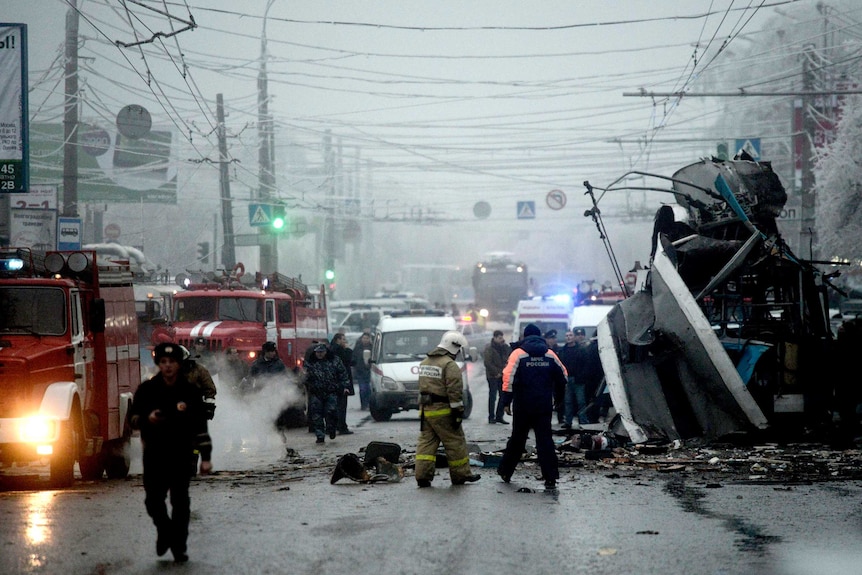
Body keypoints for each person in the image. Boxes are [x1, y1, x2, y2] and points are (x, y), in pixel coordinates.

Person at [130, 342, 213, 563]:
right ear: (158, 364)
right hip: (155, 454)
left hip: (181, 454)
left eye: (172, 362)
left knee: (180, 503)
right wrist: (147, 418)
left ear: (179, 364)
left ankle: (179, 546)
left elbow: (200, 426)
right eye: (163, 362)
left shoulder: (190, 392)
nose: (167, 366)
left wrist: (205, 458)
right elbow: (133, 418)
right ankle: (164, 531)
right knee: (153, 502)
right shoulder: (147, 390)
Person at [498, 323, 567, 488]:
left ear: (524, 336)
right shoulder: (550, 354)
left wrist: (506, 402)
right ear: (540, 336)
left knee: (517, 439)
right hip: (543, 405)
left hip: (523, 405)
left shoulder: (518, 354)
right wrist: (559, 398)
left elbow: (508, 378)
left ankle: (506, 472)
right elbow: (563, 376)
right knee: (545, 440)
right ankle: (550, 477)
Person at [414, 331, 481, 487]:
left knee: (427, 444)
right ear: (454, 347)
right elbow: (454, 391)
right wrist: (458, 412)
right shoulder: (449, 365)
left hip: (426, 411)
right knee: (455, 442)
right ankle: (461, 475)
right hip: (443, 411)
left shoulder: (425, 363)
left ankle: (422, 476)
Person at [304, 342, 350, 443]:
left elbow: (343, 374)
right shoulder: (310, 362)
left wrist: (345, 386)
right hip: (316, 392)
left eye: (322, 352)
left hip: (331, 392)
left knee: (331, 412)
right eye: (318, 352)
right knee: (317, 415)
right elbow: (305, 376)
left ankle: (331, 428)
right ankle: (320, 435)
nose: (319, 354)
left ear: (326, 352)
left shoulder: (334, 360)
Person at [557, 328, 590, 429]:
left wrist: (581, 376)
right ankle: (568, 422)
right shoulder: (562, 351)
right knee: (568, 402)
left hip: (578, 379)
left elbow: (586, 365)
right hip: (567, 379)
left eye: (570, 335)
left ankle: (583, 421)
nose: (568, 337)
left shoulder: (581, 350)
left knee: (581, 401)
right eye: (567, 336)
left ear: (574, 337)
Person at [330, 332, 355, 435]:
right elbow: (348, 360)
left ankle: (334, 426)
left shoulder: (331, 349)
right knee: (341, 406)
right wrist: (348, 349)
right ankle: (342, 427)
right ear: (338, 340)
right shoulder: (339, 350)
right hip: (341, 382)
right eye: (343, 339)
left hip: (334, 382)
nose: (345, 341)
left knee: (335, 406)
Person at [483, 330, 509, 425]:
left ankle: (499, 416)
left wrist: (503, 371)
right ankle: (491, 416)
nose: (501, 339)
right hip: (492, 376)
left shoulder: (504, 347)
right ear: (494, 338)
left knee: (502, 396)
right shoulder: (489, 348)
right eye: (499, 338)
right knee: (492, 396)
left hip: (502, 375)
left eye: (502, 337)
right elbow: (488, 363)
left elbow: (508, 358)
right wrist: (496, 372)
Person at [543, 329, 565, 425]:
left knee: (559, 398)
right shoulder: (543, 349)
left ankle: (561, 417)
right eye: (551, 338)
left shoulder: (559, 349)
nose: (553, 340)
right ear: (546, 339)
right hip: (547, 378)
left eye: (554, 338)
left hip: (556, 378)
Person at [352, 332, 373, 410]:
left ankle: (369, 404)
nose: (365, 340)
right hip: (360, 371)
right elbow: (353, 358)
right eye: (364, 338)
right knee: (362, 389)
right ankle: (363, 405)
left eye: (367, 338)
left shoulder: (372, 347)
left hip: (370, 371)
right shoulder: (358, 347)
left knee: (369, 389)